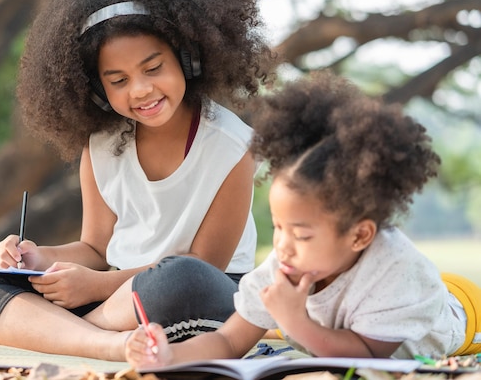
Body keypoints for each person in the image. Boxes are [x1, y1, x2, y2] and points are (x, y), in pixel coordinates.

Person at [0, 0, 277, 361]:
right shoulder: (101, 144)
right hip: (115, 302)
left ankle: (59, 334)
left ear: (187, 58)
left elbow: (206, 264)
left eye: (153, 68)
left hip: (196, 294)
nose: (140, 90)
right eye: (118, 80)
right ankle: (110, 345)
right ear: (99, 88)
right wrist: (38, 258)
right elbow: (94, 248)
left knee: (178, 278)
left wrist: (95, 288)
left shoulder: (231, 145)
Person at [125, 70, 481, 367]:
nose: (283, 246)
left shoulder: (396, 270)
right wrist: (169, 355)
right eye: (279, 227)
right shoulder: (288, 261)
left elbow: (368, 359)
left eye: (302, 235)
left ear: (359, 236)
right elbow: (228, 341)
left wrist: (294, 319)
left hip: (465, 311)